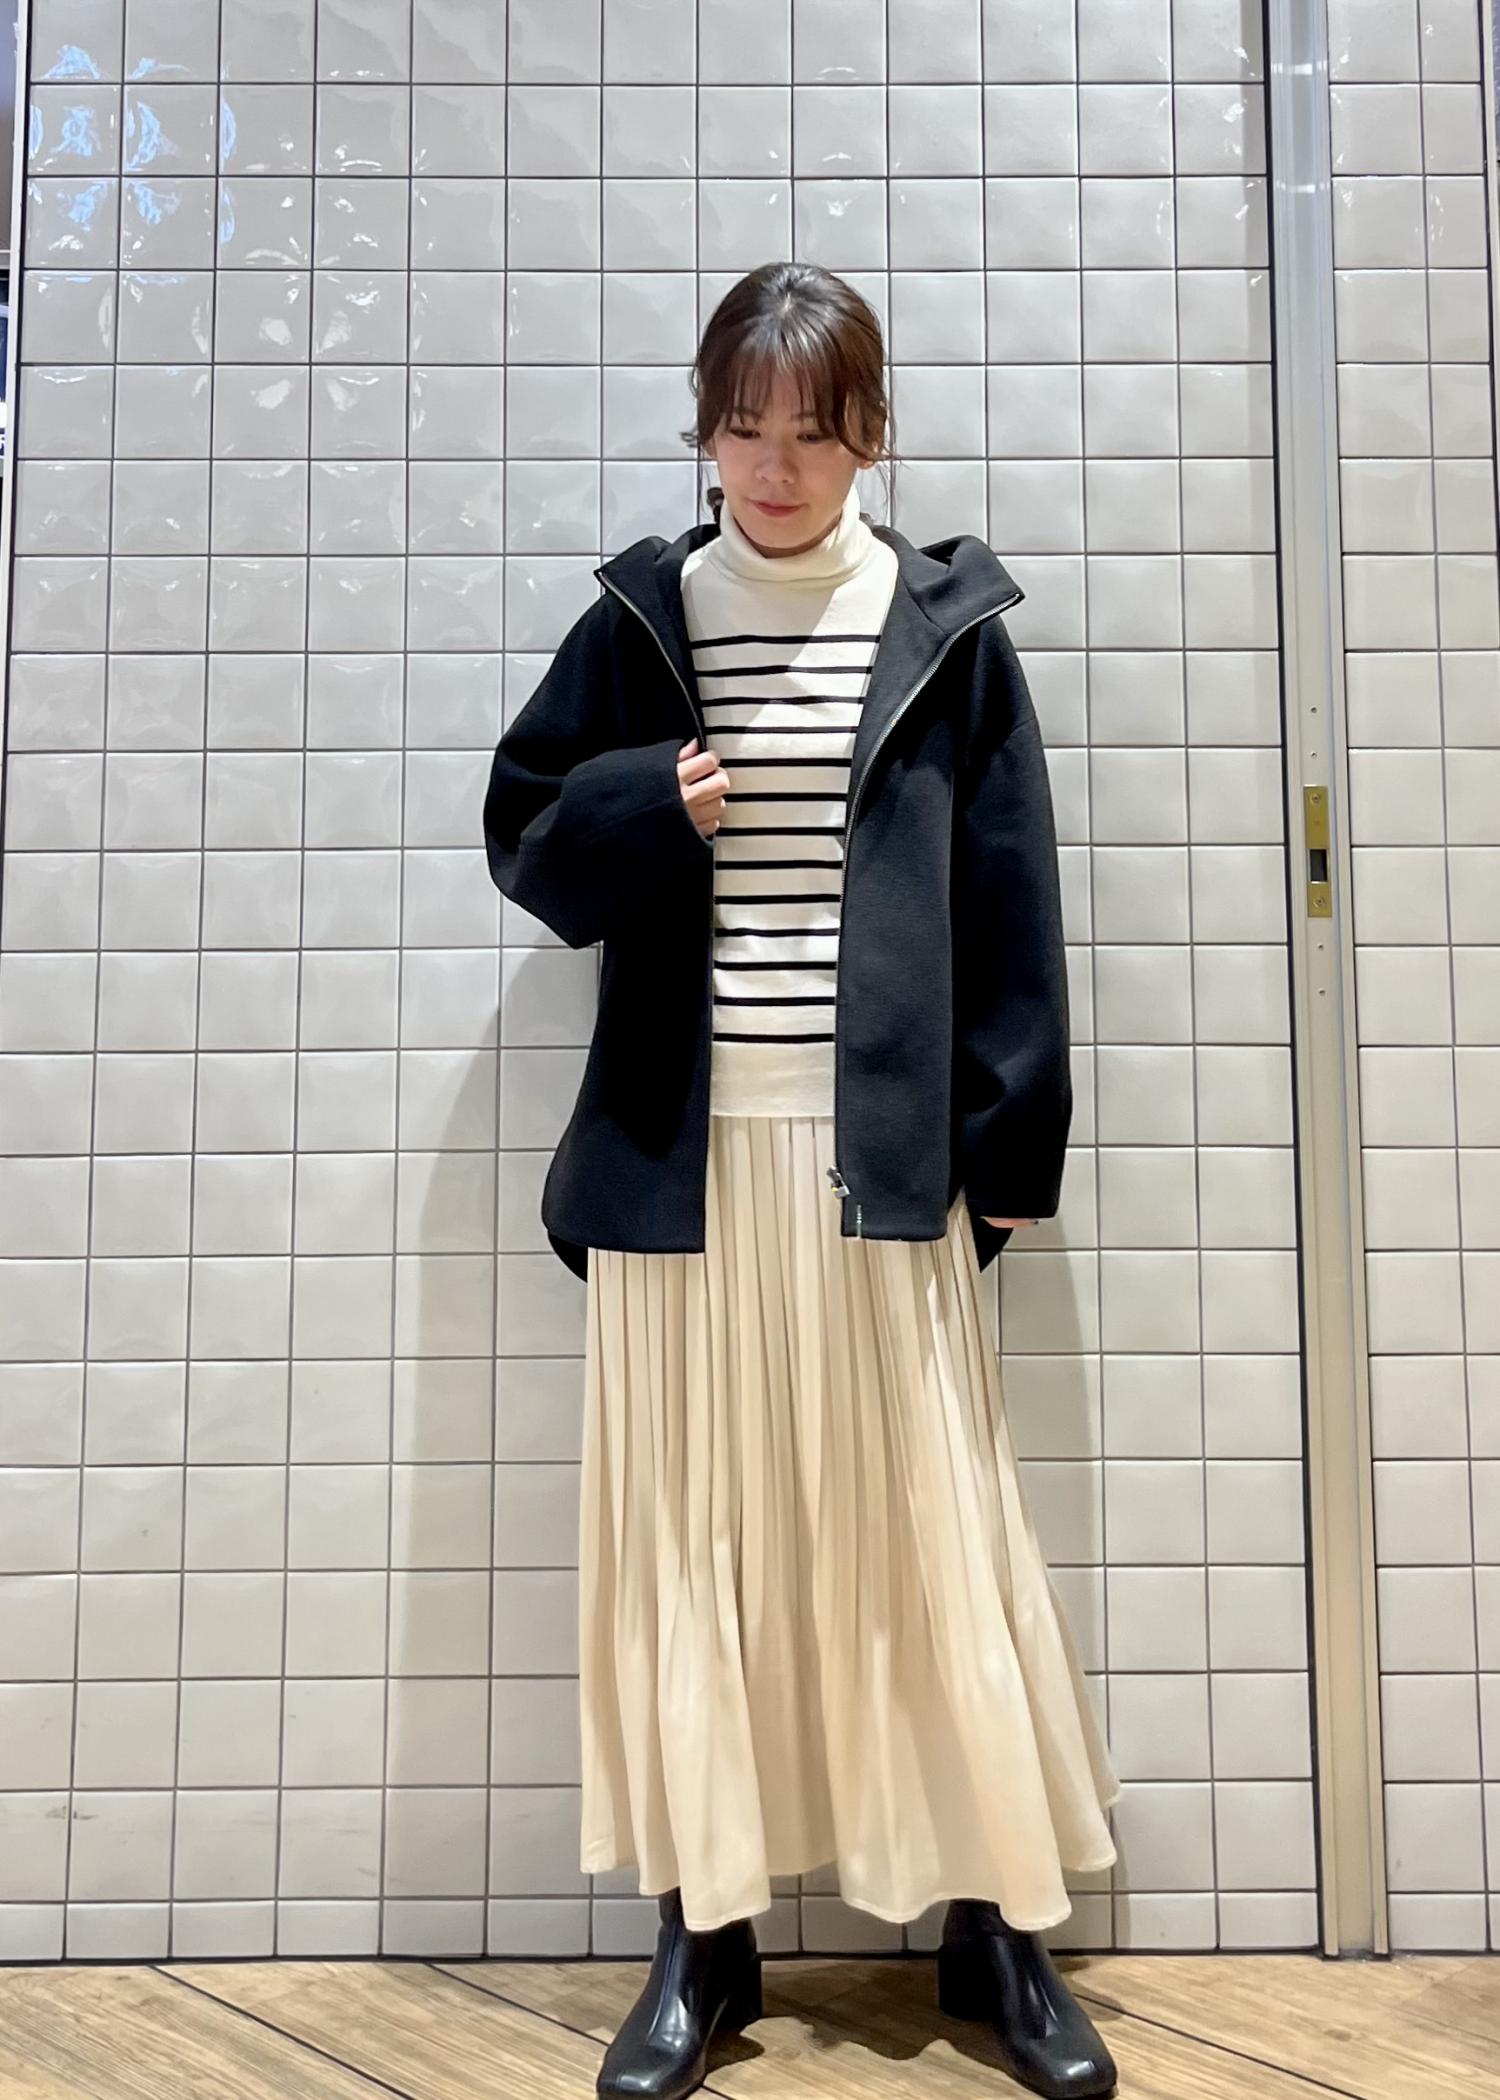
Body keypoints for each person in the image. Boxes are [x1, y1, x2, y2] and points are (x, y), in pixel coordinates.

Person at [483, 261, 1121, 2100]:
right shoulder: (643, 614)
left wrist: (1013, 1141)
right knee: (696, 1543)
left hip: (882, 1167)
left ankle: (995, 1926)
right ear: (704, 431)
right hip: (681, 1168)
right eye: (744, 428)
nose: (775, 466)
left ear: (868, 437)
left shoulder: (938, 622)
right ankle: (708, 1936)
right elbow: (529, 843)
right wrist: (646, 803)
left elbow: (1012, 891)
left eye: (815, 432)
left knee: (931, 1537)